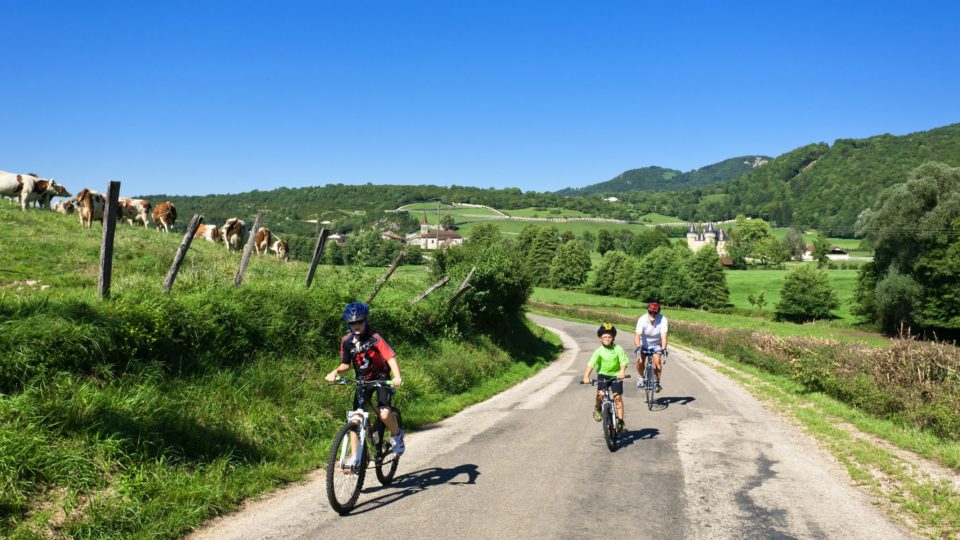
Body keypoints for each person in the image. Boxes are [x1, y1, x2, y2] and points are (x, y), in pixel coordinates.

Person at [325, 301, 405, 462]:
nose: (356, 326)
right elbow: (346, 364)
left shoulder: (374, 338)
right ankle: (356, 458)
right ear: (348, 324)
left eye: (359, 322)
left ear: (365, 321)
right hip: (362, 380)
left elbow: (390, 357)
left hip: (381, 377)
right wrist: (335, 372)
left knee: (384, 414)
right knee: (355, 419)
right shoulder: (346, 341)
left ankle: (397, 437)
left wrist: (396, 376)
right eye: (352, 323)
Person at [582, 322, 629, 433]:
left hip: (616, 374)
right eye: (604, 337)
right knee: (601, 394)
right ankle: (598, 409)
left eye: (609, 336)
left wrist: (622, 371)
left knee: (617, 397)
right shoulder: (599, 351)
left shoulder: (618, 348)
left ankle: (621, 422)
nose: (607, 339)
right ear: (600, 338)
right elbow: (591, 364)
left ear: (613, 338)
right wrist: (586, 376)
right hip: (603, 375)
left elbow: (623, 362)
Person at [635, 302, 668, 392]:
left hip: (656, 344)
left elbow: (664, 336)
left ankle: (657, 382)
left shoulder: (663, 319)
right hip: (644, 344)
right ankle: (641, 377)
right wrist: (638, 347)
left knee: (657, 362)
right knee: (639, 361)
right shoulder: (642, 319)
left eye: (655, 313)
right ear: (648, 311)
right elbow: (637, 335)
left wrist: (664, 349)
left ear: (658, 312)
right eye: (650, 312)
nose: (652, 314)